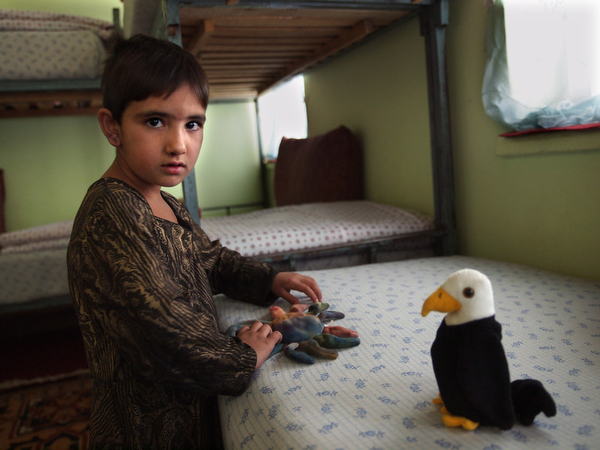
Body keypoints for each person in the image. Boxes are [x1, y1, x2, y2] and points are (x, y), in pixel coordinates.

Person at [67, 34, 322, 449]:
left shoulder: (166, 202)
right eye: (155, 121)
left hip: (190, 412)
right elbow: (163, 333)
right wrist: (244, 356)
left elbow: (210, 260)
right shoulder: (112, 213)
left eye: (192, 124)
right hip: (145, 428)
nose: (178, 145)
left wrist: (268, 280)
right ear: (113, 127)